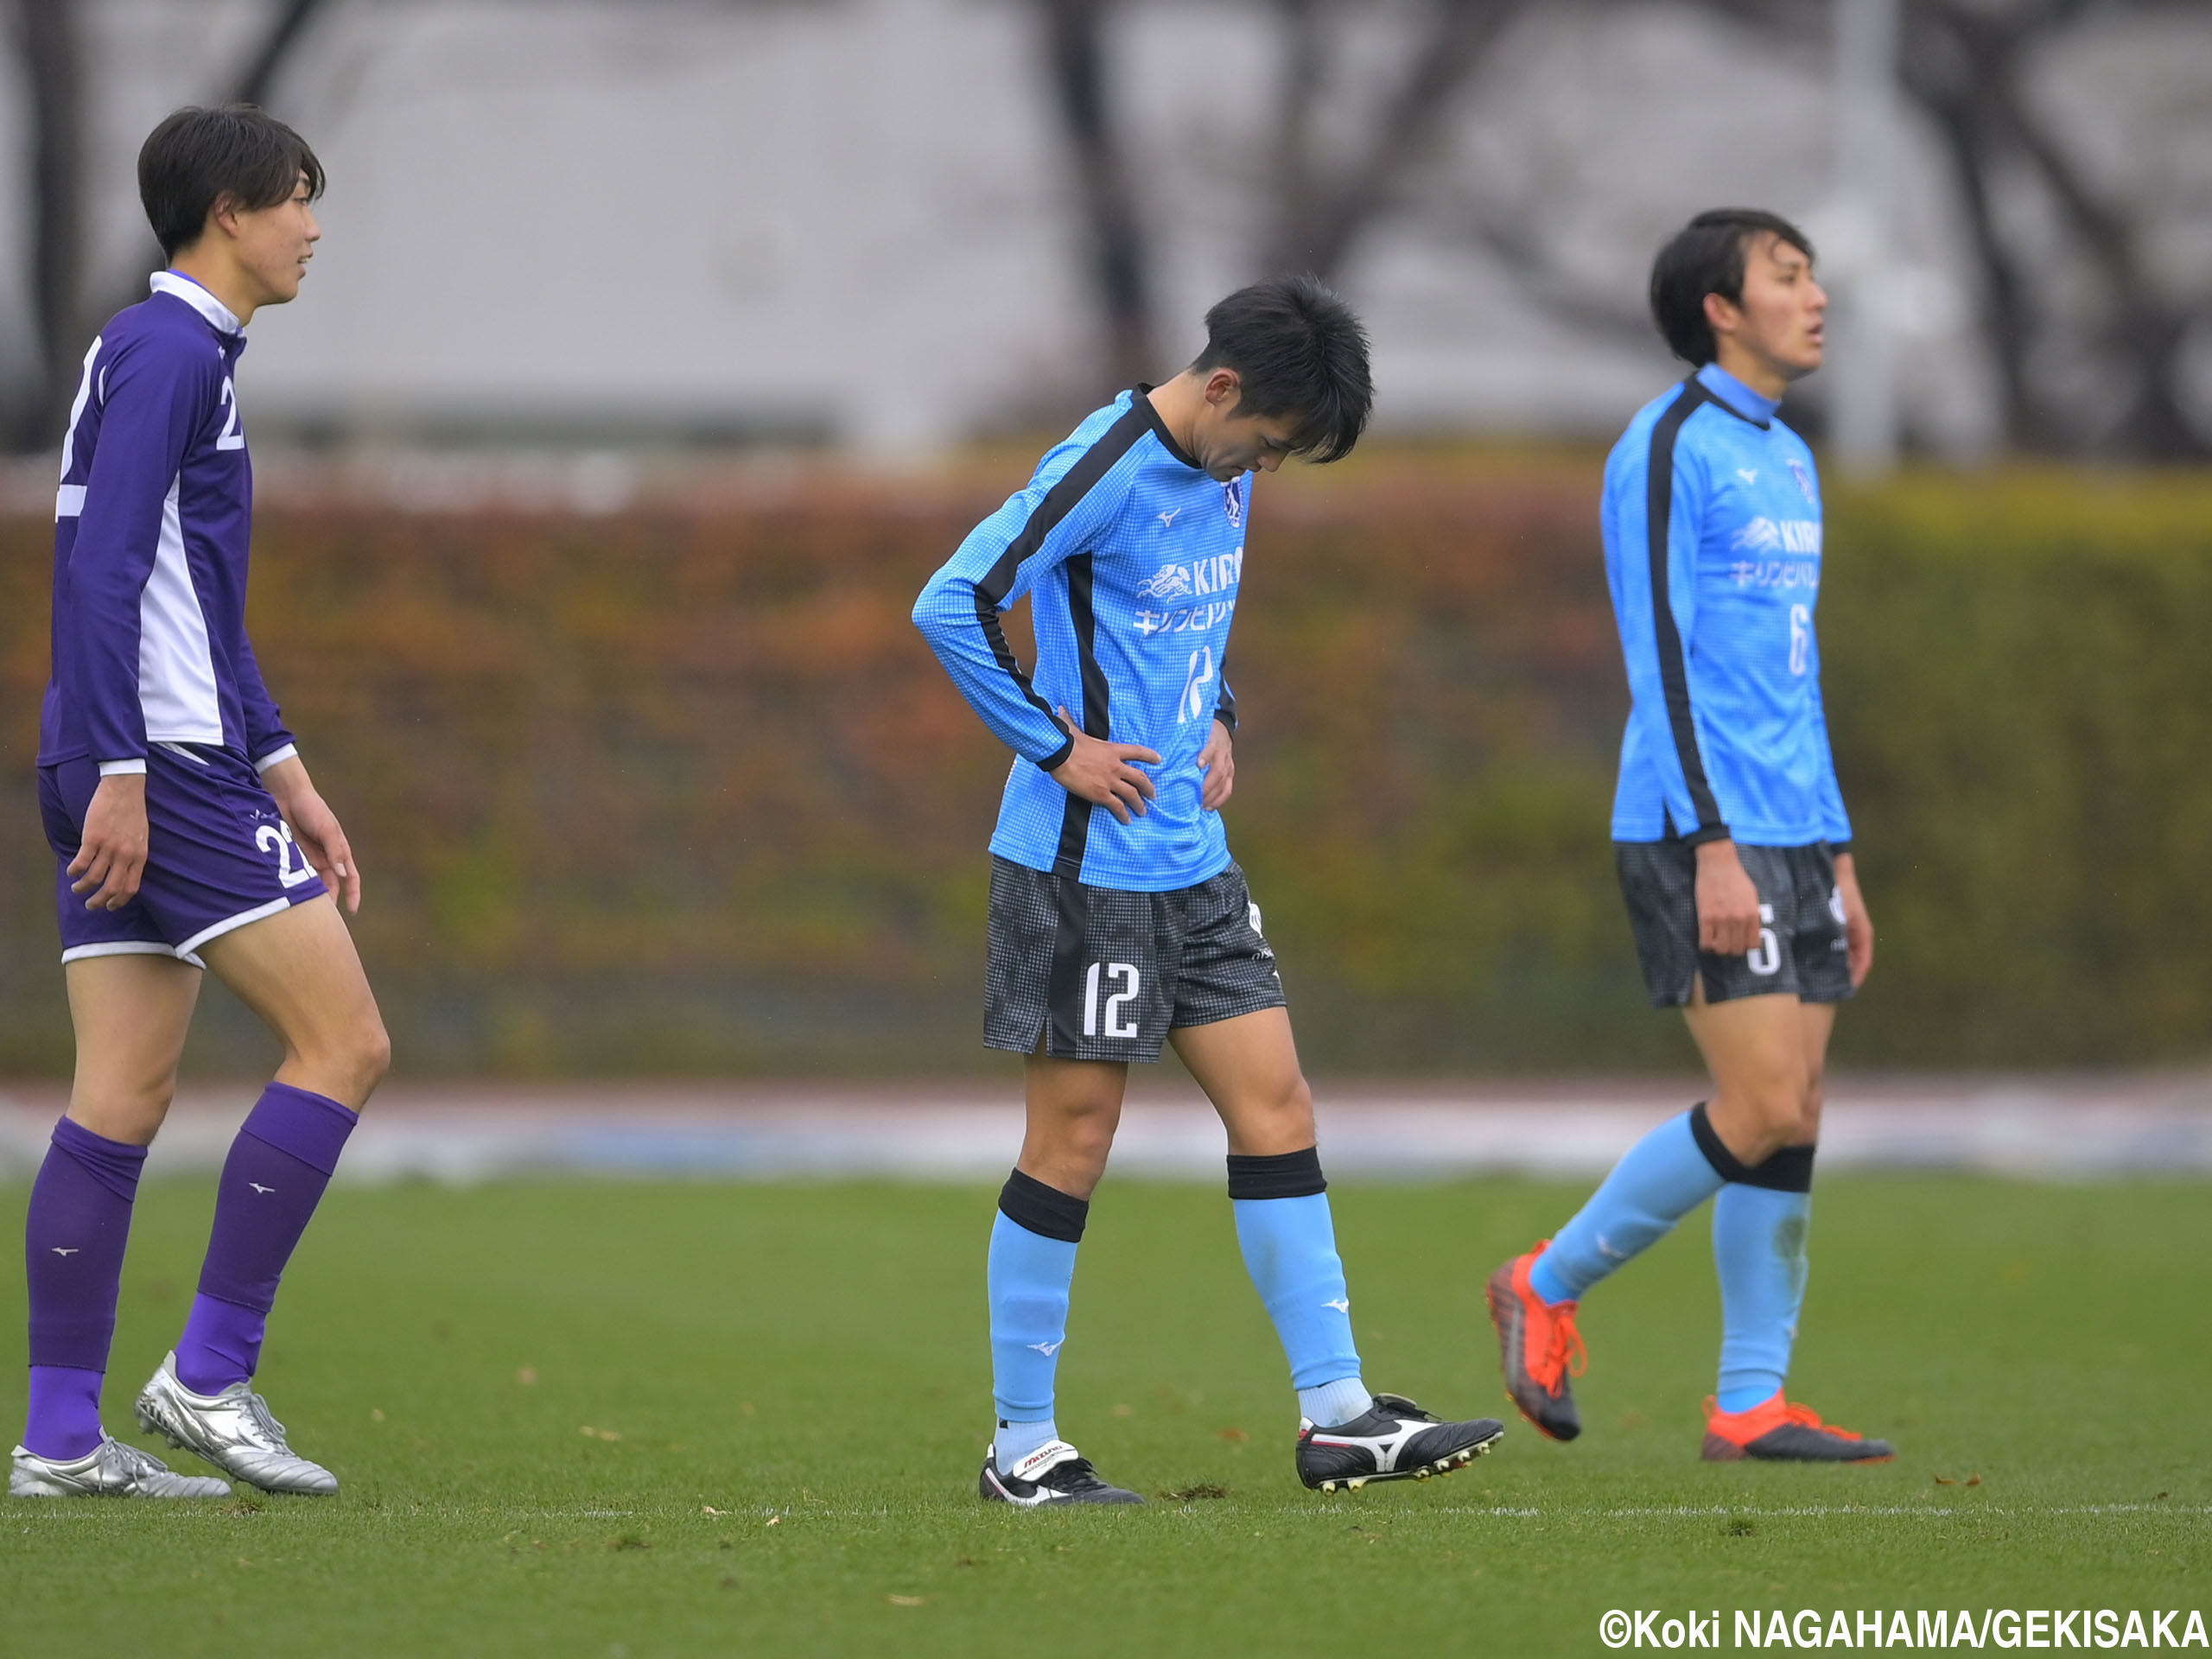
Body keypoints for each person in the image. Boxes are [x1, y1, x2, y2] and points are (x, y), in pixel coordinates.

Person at [914, 275, 1503, 1506]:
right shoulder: (1104, 464)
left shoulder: (1229, 464)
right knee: (1074, 1140)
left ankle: (1339, 1416)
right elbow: (953, 601)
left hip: (1193, 861)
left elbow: (1183, 620)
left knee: (1278, 1105)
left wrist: (1218, 710)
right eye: (1274, 445)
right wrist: (1056, 747)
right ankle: (1022, 1446)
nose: (1269, 472)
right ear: (1223, 387)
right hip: (1083, 867)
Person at [12, 106, 390, 1501]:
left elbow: (193, 601)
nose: (311, 226)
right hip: (155, 764)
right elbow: (104, 570)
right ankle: (212, 1374)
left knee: (120, 1093)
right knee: (345, 1044)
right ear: (228, 211)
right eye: (298, 198)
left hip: (136, 753)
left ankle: (59, 1442)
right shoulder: (174, 350)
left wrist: (286, 767)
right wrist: (125, 769)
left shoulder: (156, 349)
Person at [1484, 209, 1889, 1464]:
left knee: (1797, 1106)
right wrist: (1713, 840)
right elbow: (1656, 651)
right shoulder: (1667, 447)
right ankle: (1544, 1282)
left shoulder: (1791, 456)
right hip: (1693, 821)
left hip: (1791, 827)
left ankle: (1752, 1404)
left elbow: (1792, 670)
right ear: (1722, 307)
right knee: (1760, 1099)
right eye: (1787, 275)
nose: (1815, 295)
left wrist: (1836, 851)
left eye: (1812, 273)